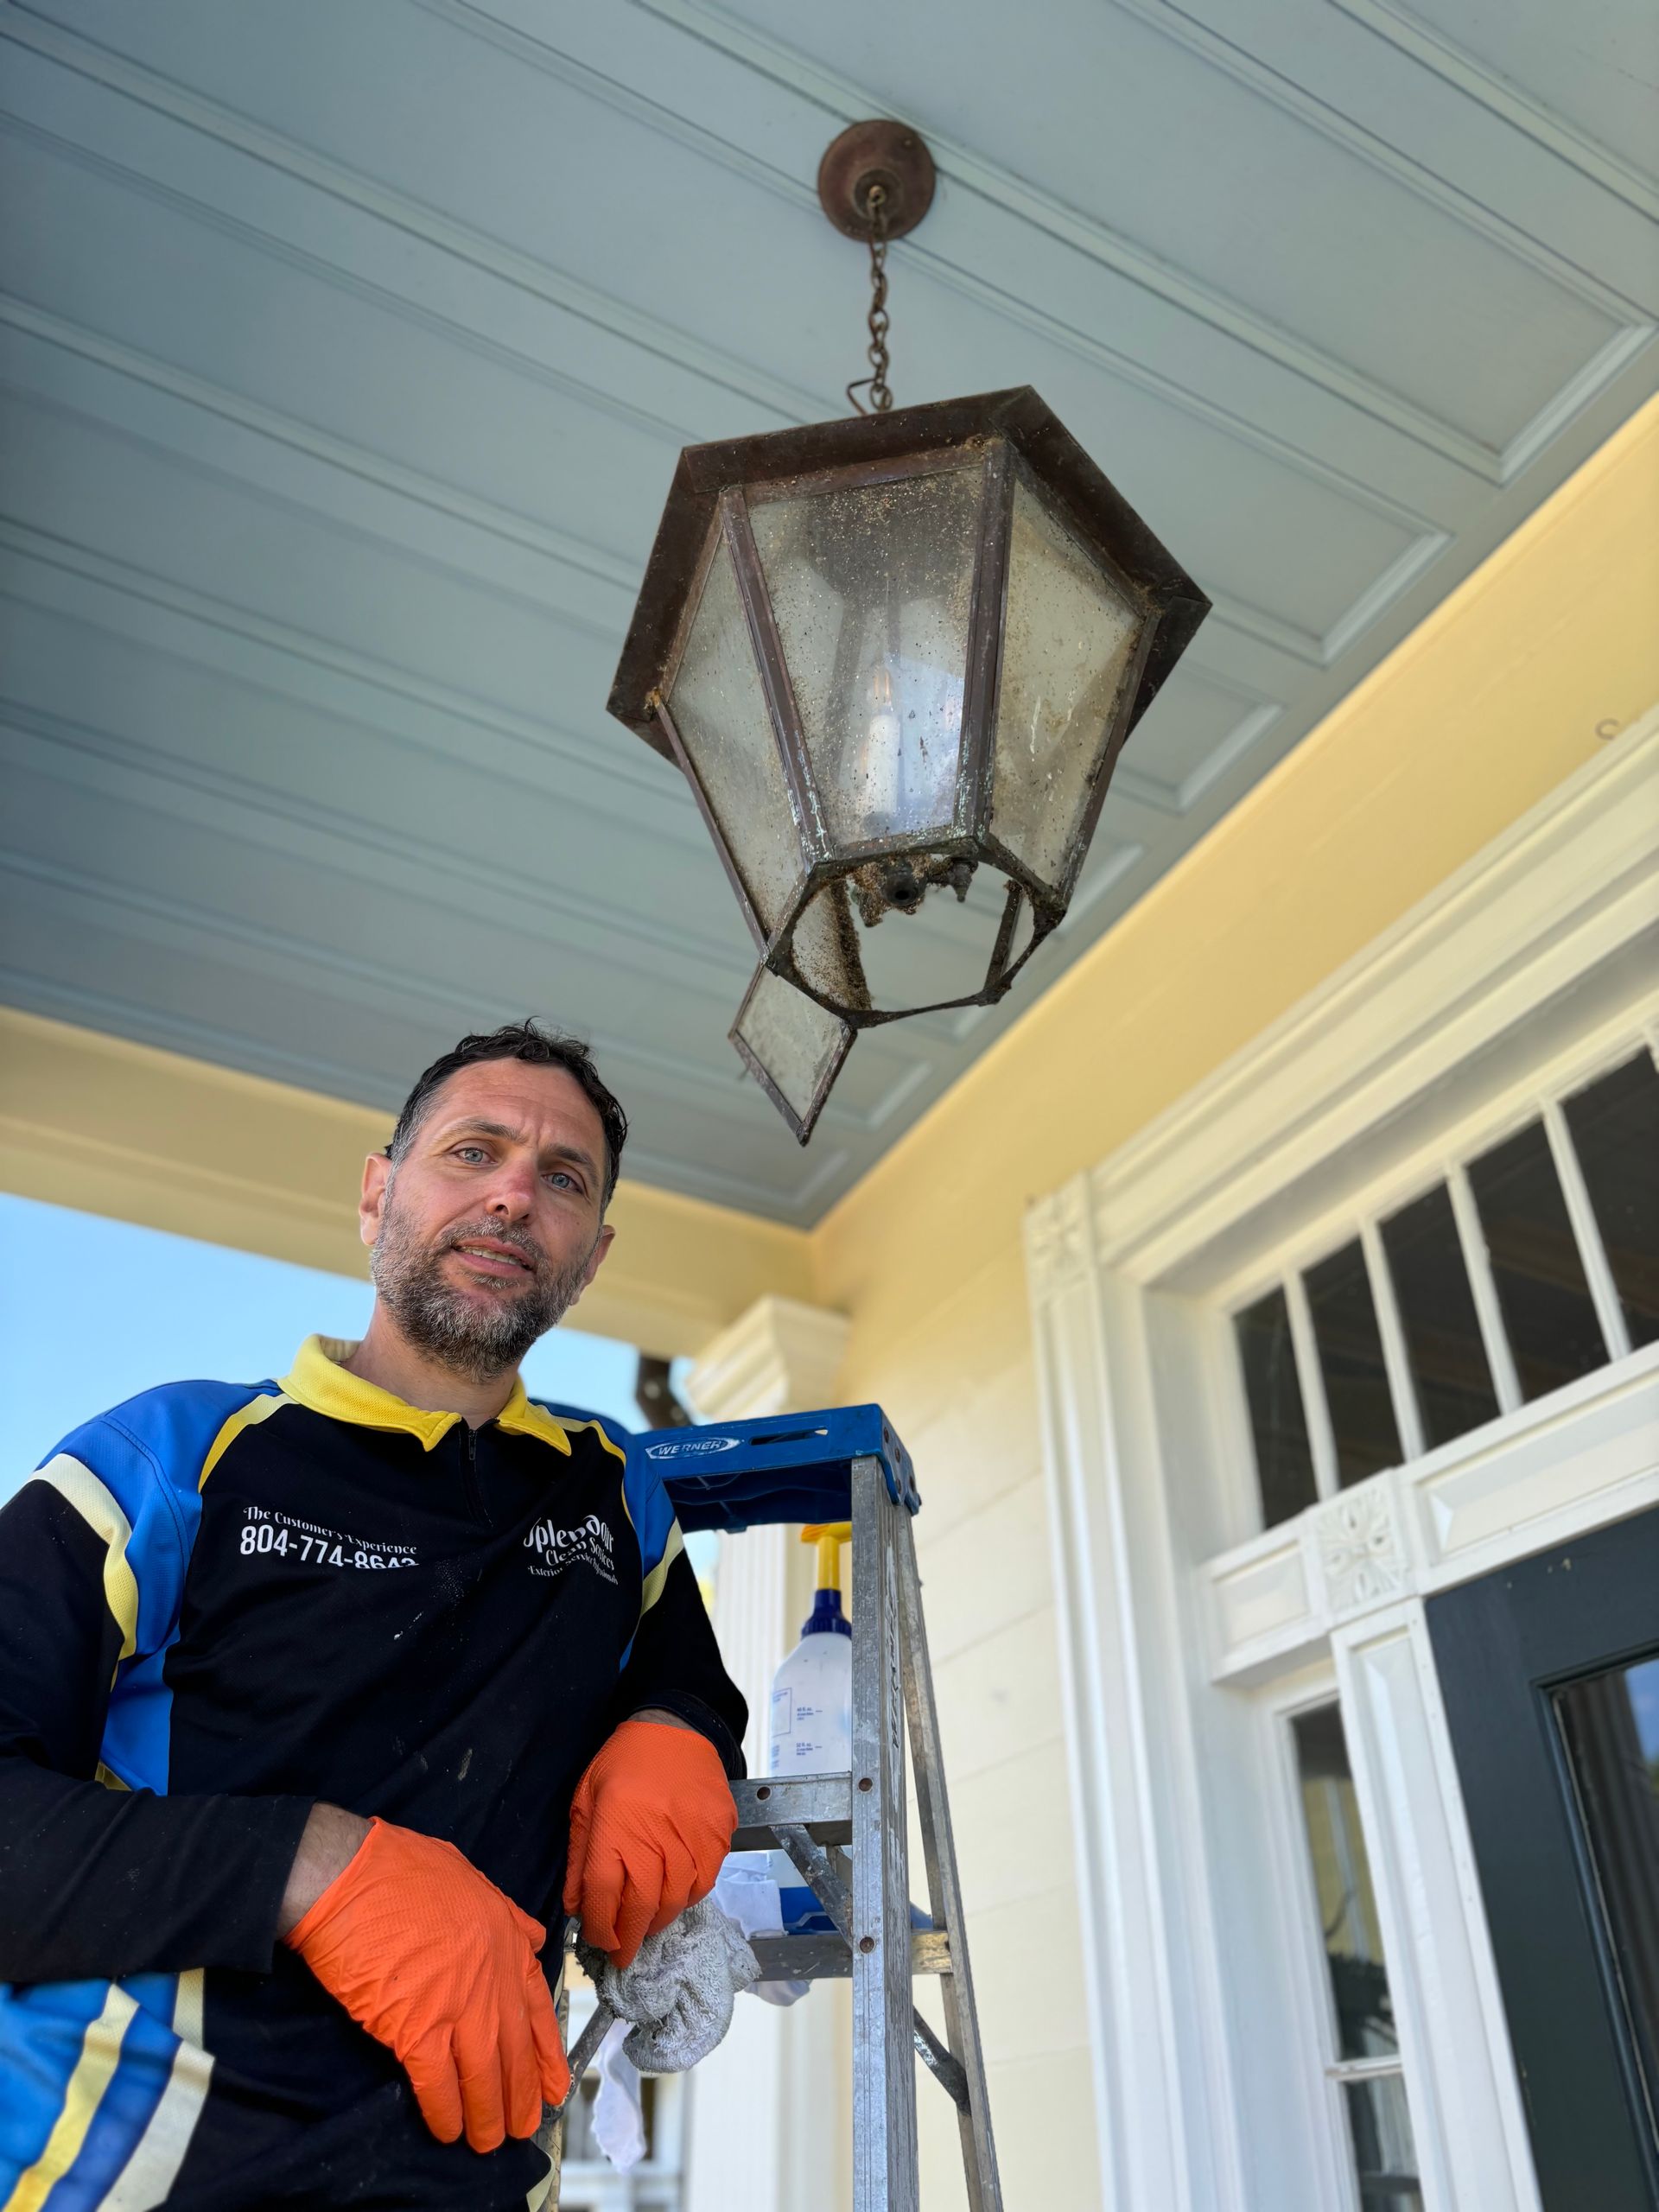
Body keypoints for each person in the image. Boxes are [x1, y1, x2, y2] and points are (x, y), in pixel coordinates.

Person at [0, 1022, 747, 2209]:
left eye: (562, 1180)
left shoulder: (612, 1493)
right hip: (132, 2177)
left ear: (592, 1255)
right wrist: (312, 1870)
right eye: (473, 1151)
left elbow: (684, 1678)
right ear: (376, 1192)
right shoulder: (169, 1458)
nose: (513, 1194)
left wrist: (681, 1730)